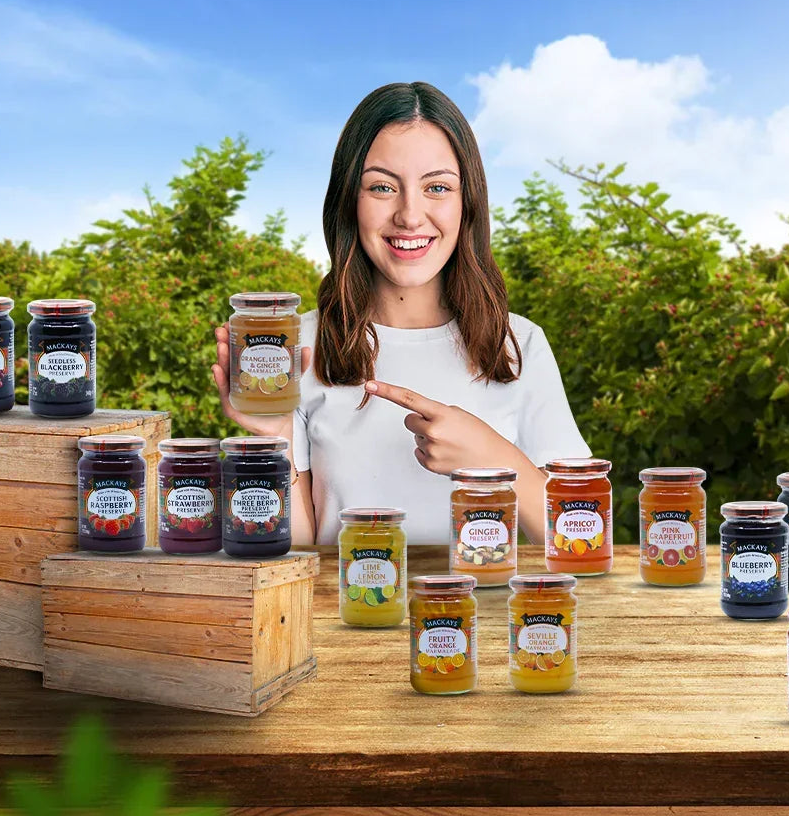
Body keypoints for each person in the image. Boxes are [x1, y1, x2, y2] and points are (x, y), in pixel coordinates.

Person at [212, 81, 590, 546]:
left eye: (436, 187)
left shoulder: (519, 344)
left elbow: (581, 539)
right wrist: (275, 438)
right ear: (349, 201)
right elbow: (303, 557)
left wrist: (494, 456)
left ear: (467, 201)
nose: (410, 216)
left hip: (485, 616)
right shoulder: (299, 346)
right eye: (383, 187)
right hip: (345, 618)